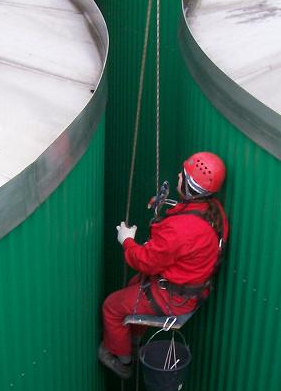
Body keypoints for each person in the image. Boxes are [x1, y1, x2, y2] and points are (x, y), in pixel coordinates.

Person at [98, 152, 229, 379]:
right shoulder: (213, 210)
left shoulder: (182, 229)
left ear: (189, 186)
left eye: (183, 174)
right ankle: (132, 339)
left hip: (175, 298)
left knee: (112, 307)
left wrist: (127, 240)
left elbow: (144, 261)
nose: (179, 175)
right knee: (133, 284)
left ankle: (124, 361)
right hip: (190, 285)